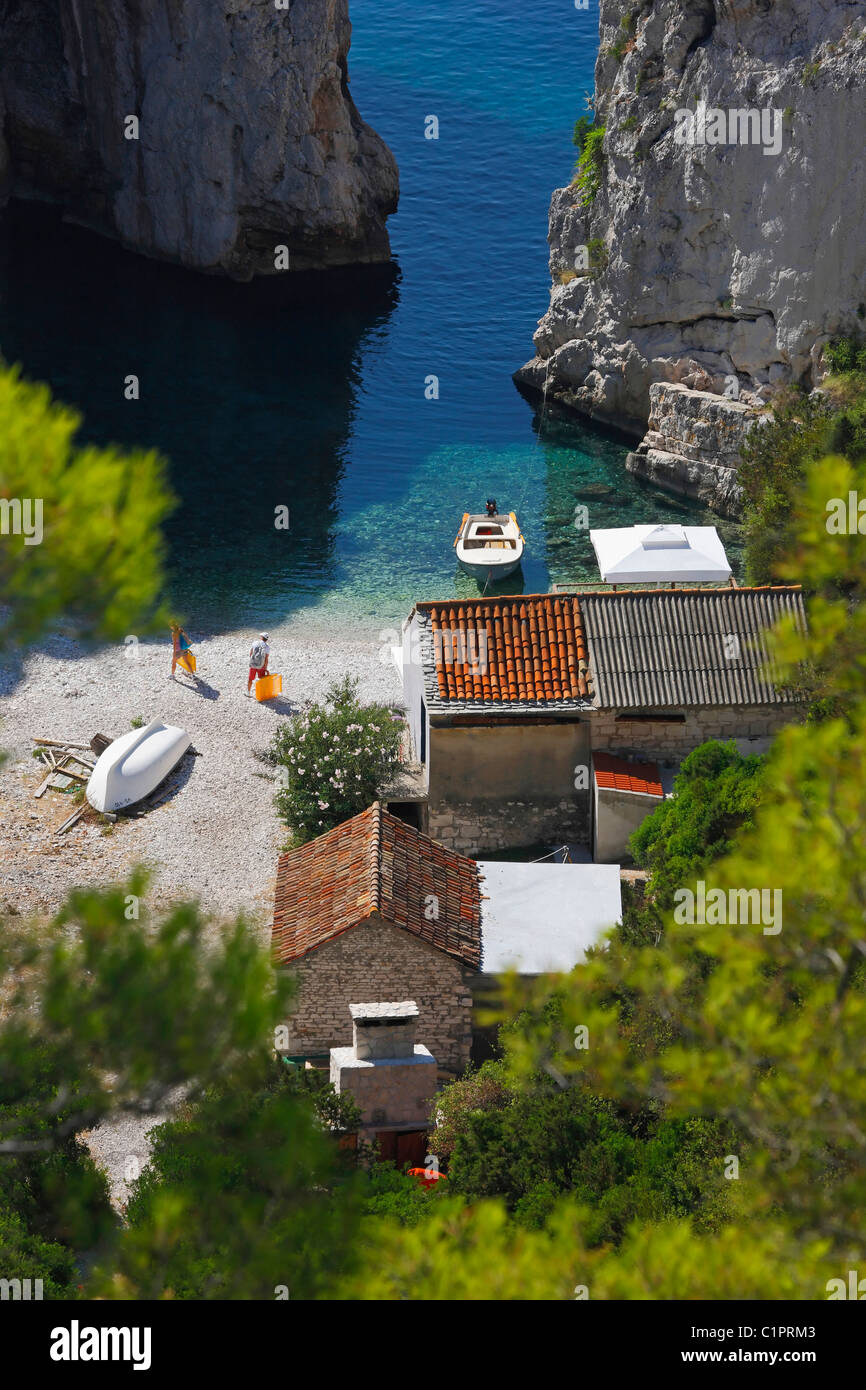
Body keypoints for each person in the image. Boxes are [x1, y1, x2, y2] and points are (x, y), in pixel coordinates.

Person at [246, 632, 270, 696]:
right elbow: (266, 659)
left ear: (261, 637)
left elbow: (251, 653)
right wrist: (265, 667)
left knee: (250, 679)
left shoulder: (255, 643)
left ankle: (248, 693)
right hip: (261, 666)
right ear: (266, 639)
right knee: (261, 680)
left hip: (253, 664)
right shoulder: (267, 647)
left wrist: (252, 661)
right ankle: (261, 694)